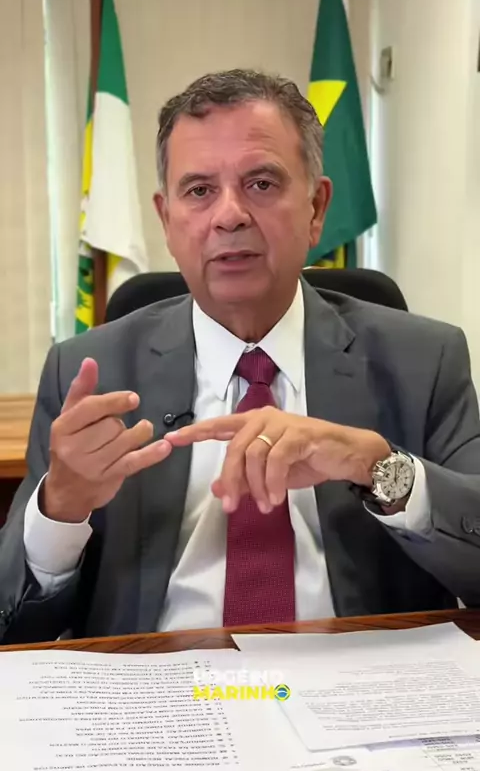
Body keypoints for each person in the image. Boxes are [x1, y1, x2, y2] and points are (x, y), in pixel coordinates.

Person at [1, 68, 480, 645]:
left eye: (261, 183)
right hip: (158, 683)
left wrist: (377, 466)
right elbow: (15, 625)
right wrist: (61, 509)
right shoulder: (89, 374)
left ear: (316, 208)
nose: (229, 215)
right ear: (166, 219)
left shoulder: (424, 360)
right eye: (199, 190)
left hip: (359, 679)